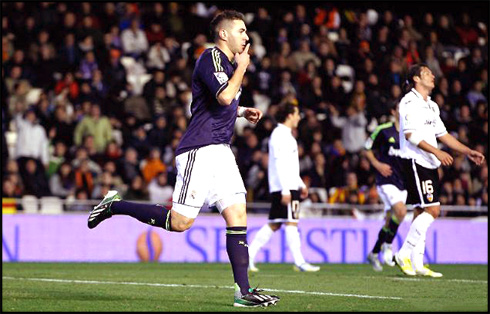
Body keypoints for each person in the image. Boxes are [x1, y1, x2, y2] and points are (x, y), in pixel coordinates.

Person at [87, 10, 279, 307]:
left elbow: (219, 104)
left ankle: (243, 292)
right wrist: (242, 69)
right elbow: (224, 97)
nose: (246, 37)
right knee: (179, 223)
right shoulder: (211, 57)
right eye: (241, 31)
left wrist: (243, 111)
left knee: (237, 215)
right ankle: (115, 205)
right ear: (224, 34)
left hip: (221, 150)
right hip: (199, 149)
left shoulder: (226, 65)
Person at [394, 64, 485, 277]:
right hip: (415, 161)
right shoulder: (409, 102)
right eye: (427, 73)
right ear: (416, 78)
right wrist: (438, 152)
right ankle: (403, 254)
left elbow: (443, 134)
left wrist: (467, 150)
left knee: (421, 211)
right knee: (433, 210)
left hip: (429, 162)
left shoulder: (432, 106)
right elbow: (410, 135)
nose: (433, 75)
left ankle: (417, 264)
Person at [248, 103, 320, 272]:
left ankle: (249, 255)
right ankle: (300, 262)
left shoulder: (285, 135)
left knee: (275, 223)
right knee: (291, 223)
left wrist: (300, 183)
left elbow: (289, 166)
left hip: (287, 185)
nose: (299, 117)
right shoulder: (280, 134)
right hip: (284, 187)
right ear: (289, 115)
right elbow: (279, 163)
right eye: (296, 114)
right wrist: (286, 189)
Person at [364, 102, 408, 272]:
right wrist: (377, 164)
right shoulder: (383, 130)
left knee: (390, 220)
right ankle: (388, 246)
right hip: (386, 180)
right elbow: (367, 148)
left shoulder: (410, 133)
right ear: (393, 111)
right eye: (400, 109)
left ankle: (374, 253)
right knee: (401, 211)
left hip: (403, 182)